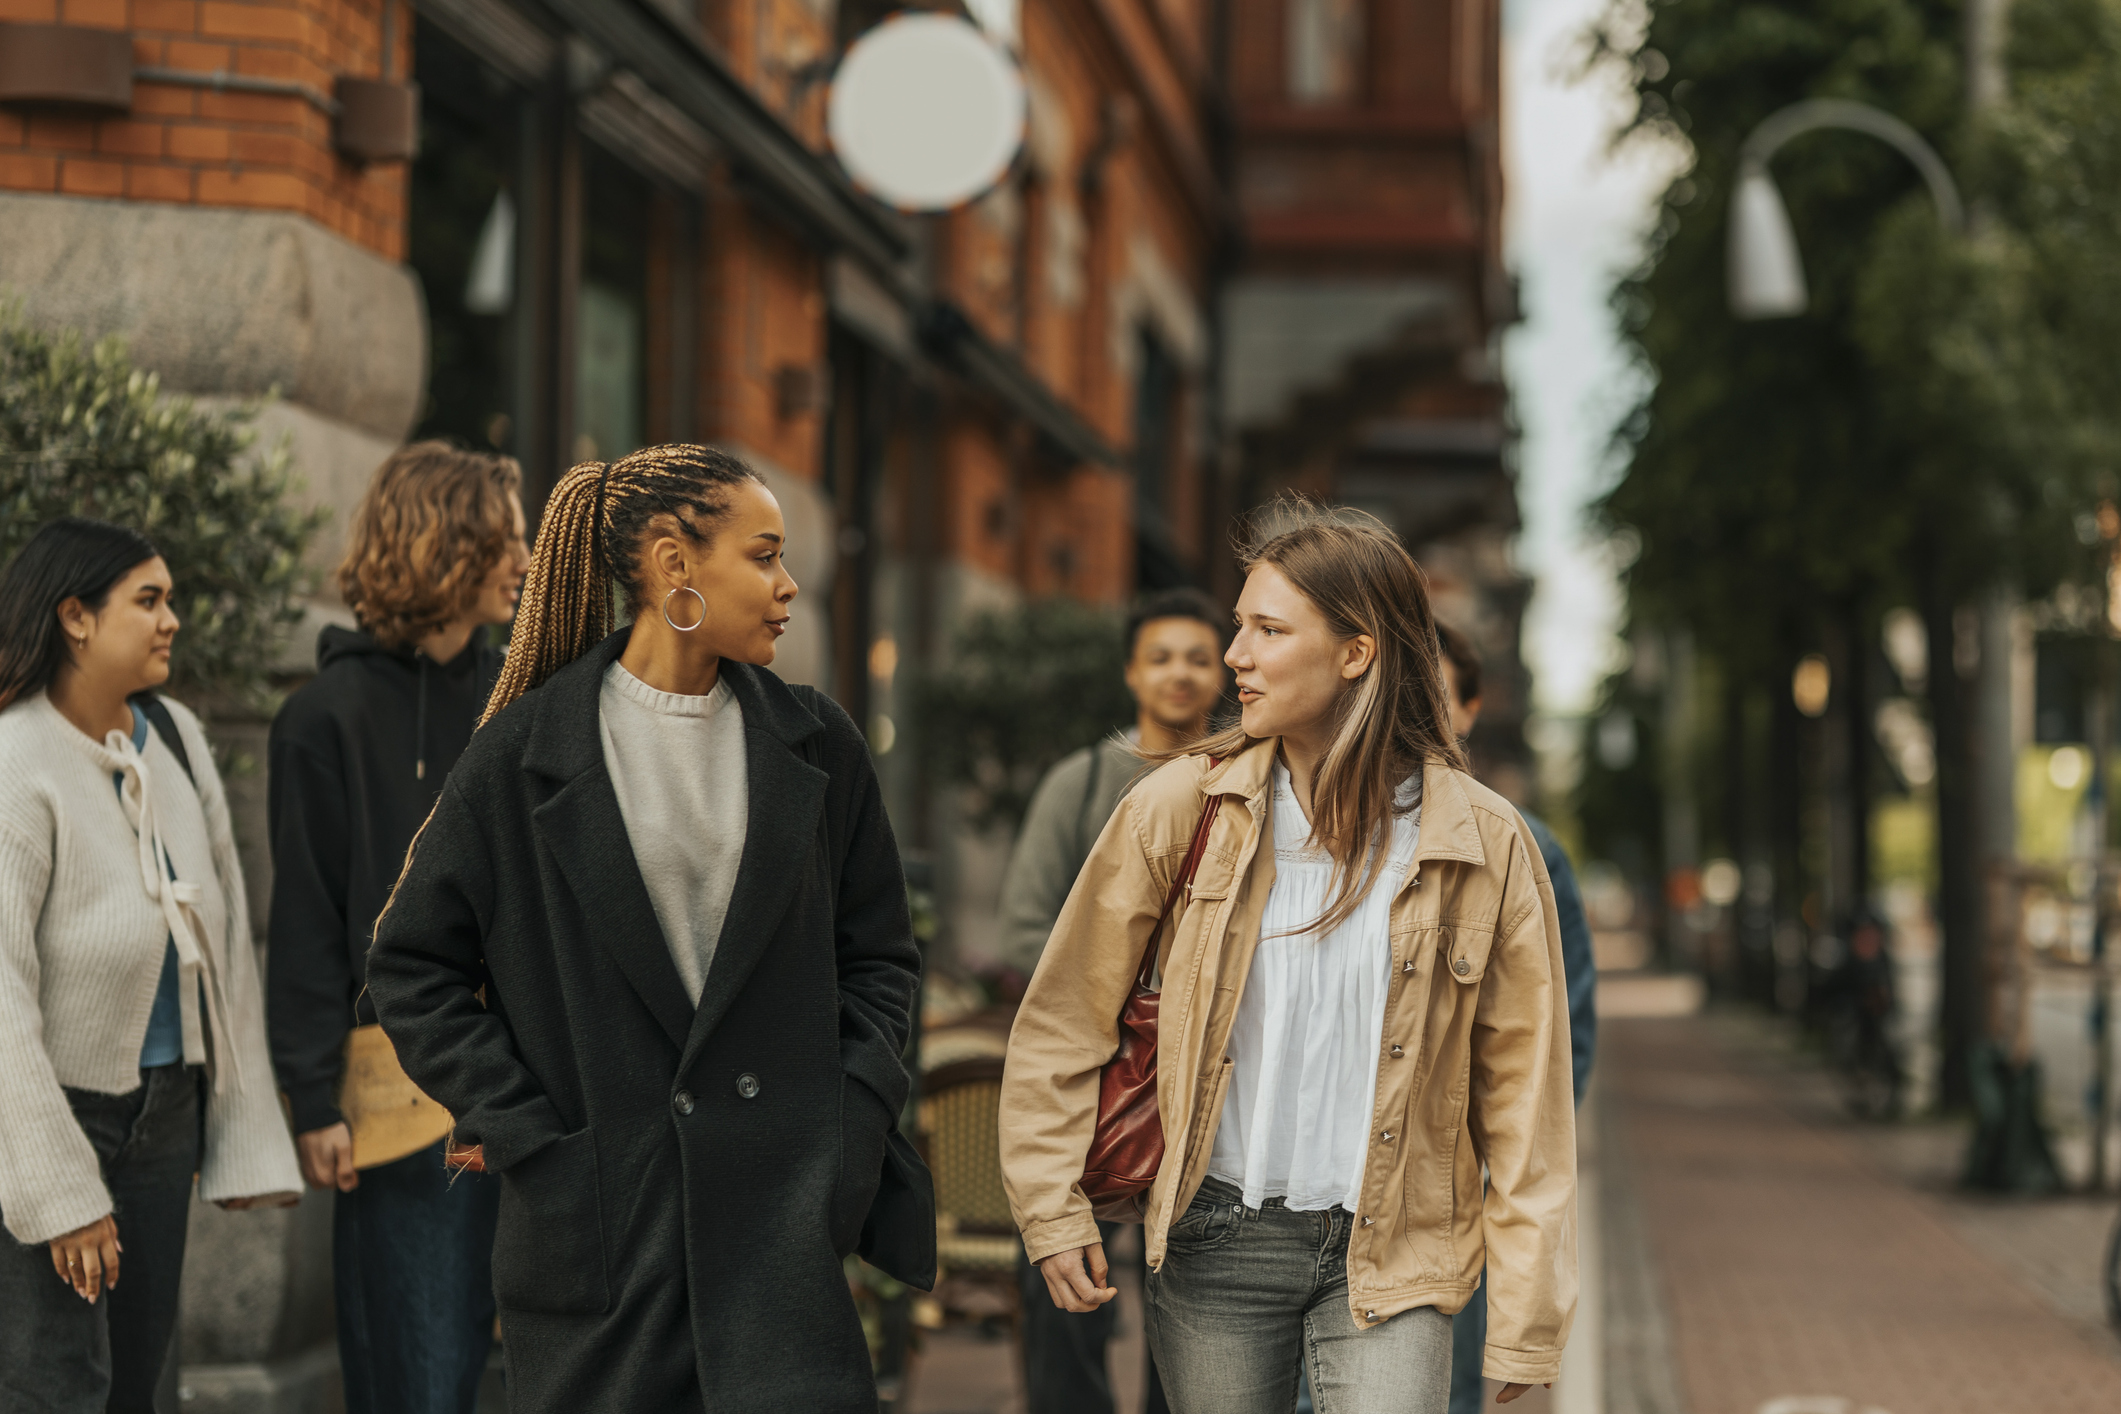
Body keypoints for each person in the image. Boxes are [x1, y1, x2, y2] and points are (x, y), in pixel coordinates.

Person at [364, 445, 934, 1414]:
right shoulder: (523, 753)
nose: (789, 585)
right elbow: (411, 965)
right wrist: (525, 1133)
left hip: (779, 1225)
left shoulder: (818, 739)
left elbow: (878, 954)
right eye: (763, 556)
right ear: (675, 564)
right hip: (602, 1234)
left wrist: (849, 1124)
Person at [1001, 504, 1576, 1414]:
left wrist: (1526, 1309)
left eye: (1267, 629)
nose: (1234, 655)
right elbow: (1064, 1015)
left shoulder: (1483, 841)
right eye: (1240, 625)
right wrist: (1049, 1204)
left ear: (1356, 653)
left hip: (1397, 1248)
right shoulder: (1178, 807)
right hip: (1215, 1242)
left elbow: (1527, 1100)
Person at [0, 518, 303, 1413]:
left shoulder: (173, 736)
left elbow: (227, 938)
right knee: (56, 1387)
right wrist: (61, 1189)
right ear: (76, 618)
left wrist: (243, 1137)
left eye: (169, 599)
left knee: (145, 1388)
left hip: (166, 1113)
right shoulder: (16, 763)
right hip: (56, 1114)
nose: (172, 619)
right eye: (149, 600)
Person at [266, 443, 531, 1414]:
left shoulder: (528, 703)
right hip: (397, 1090)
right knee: (417, 1372)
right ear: (446, 546)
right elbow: (303, 919)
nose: (525, 559)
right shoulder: (322, 718)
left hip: (532, 1083)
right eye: (505, 540)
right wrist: (309, 1094)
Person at [997, 586, 1227, 1414]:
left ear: (1223, 673)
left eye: (1198, 658)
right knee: (1063, 1281)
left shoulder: (1245, 784)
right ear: (1132, 672)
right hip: (1093, 1077)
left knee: (1195, 1286)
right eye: (1161, 657)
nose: (1179, 674)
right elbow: (1026, 929)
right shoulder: (1082, 782)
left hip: (1205, 1080)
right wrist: (1115, 1000)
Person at [1433, 620, 1596, 1414]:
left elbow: (1563, 1045)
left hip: (1448, 1203)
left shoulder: (1523, 847)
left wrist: (1512, 1202)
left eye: (1432, 691)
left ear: (1467, 711)